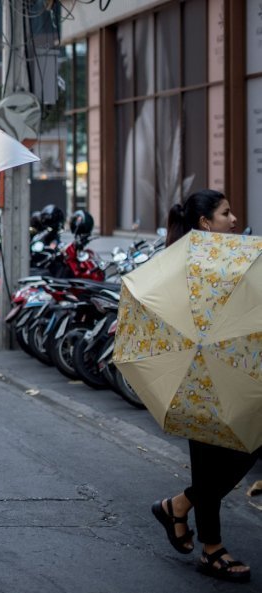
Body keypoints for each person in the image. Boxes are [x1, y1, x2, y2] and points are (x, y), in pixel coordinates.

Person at [152, 189, 256, 584]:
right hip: (197, 372)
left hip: (229, 369)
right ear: (205, 224)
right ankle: (211, 549)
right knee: (211, 457)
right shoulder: (186, 265)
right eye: (225, 213)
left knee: (249, 442)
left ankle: (179, 505)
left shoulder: (232, 259)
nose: (234, 219)